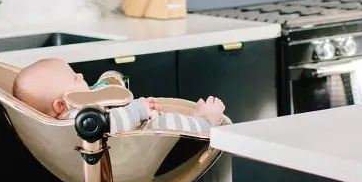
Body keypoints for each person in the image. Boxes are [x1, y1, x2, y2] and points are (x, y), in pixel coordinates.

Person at [12, 58, 225, 133]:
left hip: (132, 137)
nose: (80, 74)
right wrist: (138, 109)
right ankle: (206, 123)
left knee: (163, 119)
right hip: (134, 149)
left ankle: (196, 121)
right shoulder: (76, 119)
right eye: (73, 77)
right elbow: (111, 123)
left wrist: (140, 107)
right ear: (61, 105)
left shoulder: (77, 111)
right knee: (167, 123)